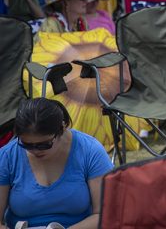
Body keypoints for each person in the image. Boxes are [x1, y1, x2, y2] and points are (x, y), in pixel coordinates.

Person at [0, 98, 113, 228]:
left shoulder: (90, 151)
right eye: (26, 145)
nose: (35, 151)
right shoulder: (7, 156)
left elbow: (105, 214)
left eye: (44, 145)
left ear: (63, 128)